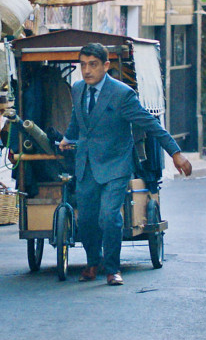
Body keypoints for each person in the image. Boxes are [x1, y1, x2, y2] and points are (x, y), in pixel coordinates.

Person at [60, 43, 192, 286]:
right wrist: (68, 138)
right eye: (83, 65)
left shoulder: (121, 94)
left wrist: (176, 153)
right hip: (86, 165)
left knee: (108, 217)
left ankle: (112, 268)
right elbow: (77, 122)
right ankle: (92, 263)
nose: (87, 71)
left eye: (93, 65)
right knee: (87, 218)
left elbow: (151, 125)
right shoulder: (78, 89)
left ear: (106, 66)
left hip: (115, 165)